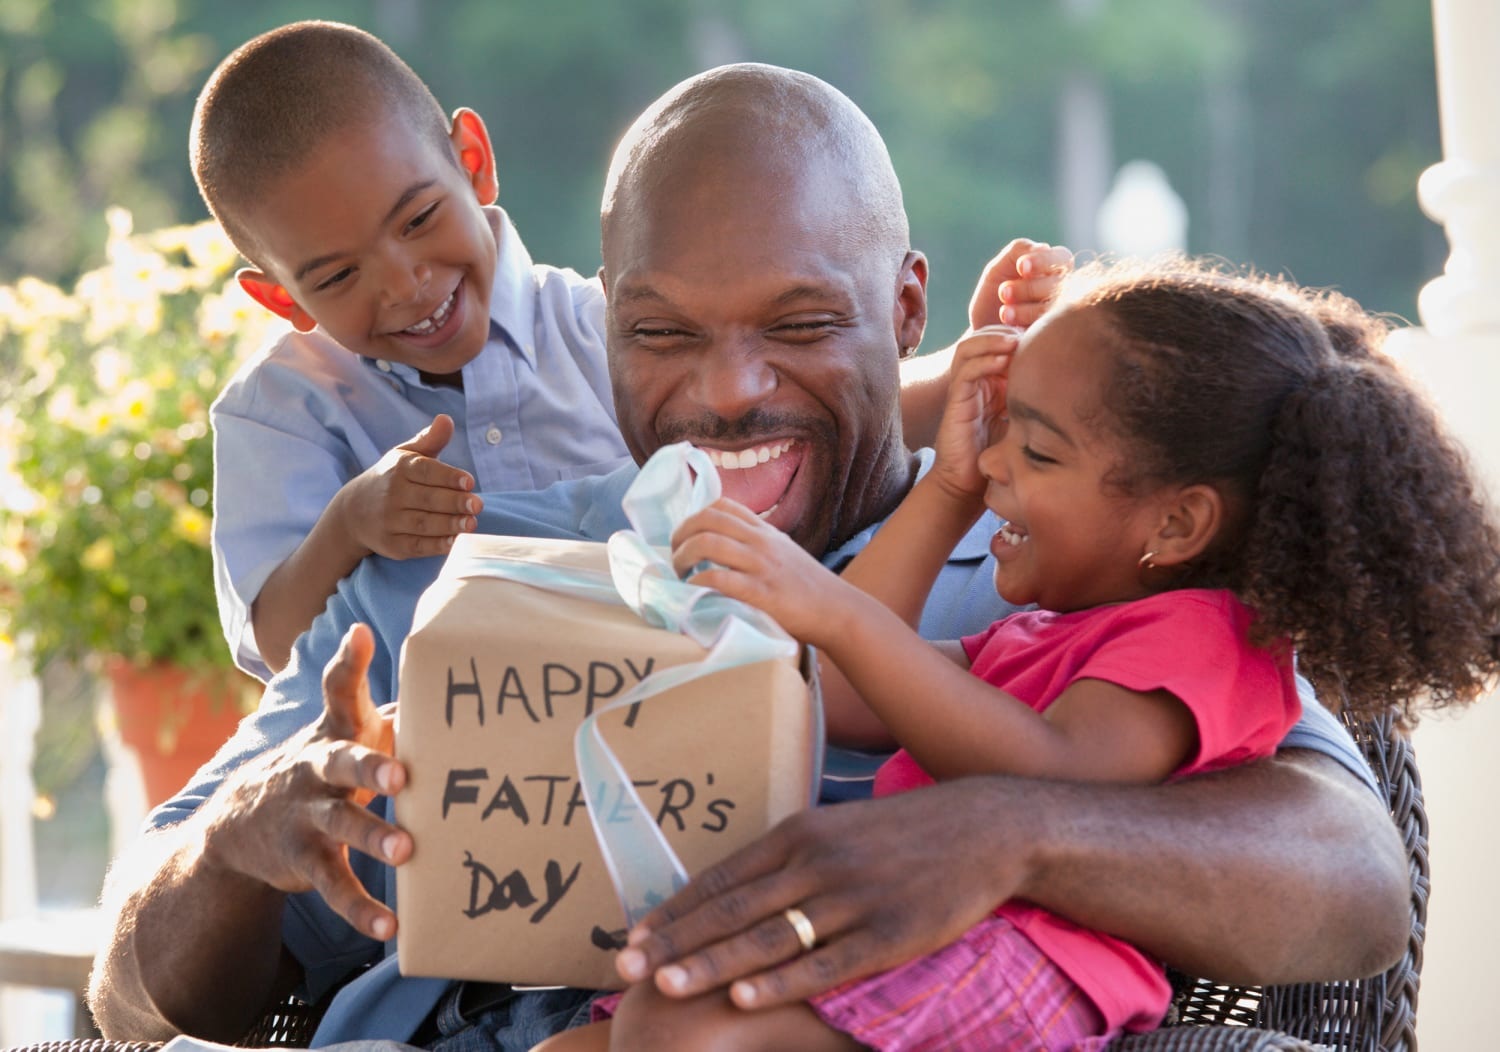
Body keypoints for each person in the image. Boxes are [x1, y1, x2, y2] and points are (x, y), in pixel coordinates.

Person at [88, 65, 1411, 1051]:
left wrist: (1010, 831)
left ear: (905, 309)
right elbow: (132, 984)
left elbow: (1353, 879)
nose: (728, 393)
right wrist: (246, 846)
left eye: (799, 323)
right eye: (661, 333)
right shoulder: (443, 576)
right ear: (603, 322)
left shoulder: (1052, 581)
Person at [542, 261, 1500, 1050]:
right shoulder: (1044, 633)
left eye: (1034, 453)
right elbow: (845, 691)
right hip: (943, 940)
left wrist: (832, 605)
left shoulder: (1203, 641)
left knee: (682, 1028)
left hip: (1030, 961)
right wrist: (950, 491)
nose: (997, 461)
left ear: (1175, 522)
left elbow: (1053, 775)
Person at [195, 22, 1067, 681]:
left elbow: (844, 409)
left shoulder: (587, 322)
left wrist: (991, 360)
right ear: (281, 298)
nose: (405, 284)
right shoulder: (290, 414)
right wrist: (350, 529)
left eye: (419, 220)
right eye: (339, 274)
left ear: (474, 162)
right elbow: (281, 651)